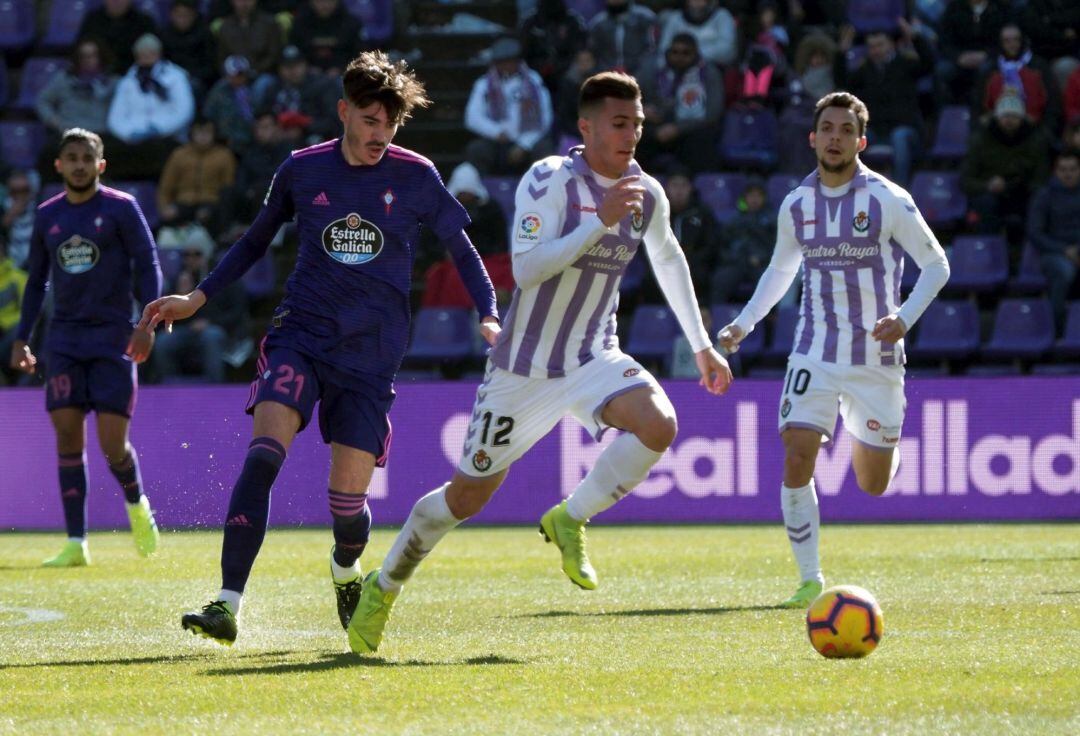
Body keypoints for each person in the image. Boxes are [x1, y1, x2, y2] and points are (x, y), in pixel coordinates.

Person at [347, 71, 733, 655]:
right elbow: (526, 270)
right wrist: (597, 221)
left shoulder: (645, 192)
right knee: (464, 499)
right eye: (619, 123)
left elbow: (669, 259)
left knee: (660, 423)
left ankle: (570, 518)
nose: (631, 134)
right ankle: (386, 583)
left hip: (593, 355)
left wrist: (701, 343)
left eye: (638, 124)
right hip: (522, 368)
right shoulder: (550, 179)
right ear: (587, 126)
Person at [138, 51, 499, 646]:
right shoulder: (302, 170)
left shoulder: (416, 176)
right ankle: (227, 602)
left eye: (389, 123)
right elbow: (255, 241)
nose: (379, 133)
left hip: (371, 355)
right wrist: (197, 298)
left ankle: (345, 569)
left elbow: (462, 251)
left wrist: (488, 312)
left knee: (346, 508)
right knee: (263, 455)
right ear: (344, 112)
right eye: (369, 119)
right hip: (300, 336)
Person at [717, 92, 950, 608]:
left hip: (876, 359)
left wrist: (903, 319)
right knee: (797, 451)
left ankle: (880, 447)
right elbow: (781, 271)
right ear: (813, 137)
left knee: (872, 484)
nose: (836, 138)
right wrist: (742, 325)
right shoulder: (797, 204)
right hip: (814, 351)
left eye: (846, 130)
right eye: (828, 128)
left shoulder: (888, 199)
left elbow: (937, 265)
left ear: (861, 141)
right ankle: (809, 578)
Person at [9, 128, 163, 567]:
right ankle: (77, 542)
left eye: (86, 157)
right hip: (64, 341)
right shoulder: (47, 216)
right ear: (59, 166)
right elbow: (37, 281)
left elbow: (148, 263)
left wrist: (146, 322)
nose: (78, 164)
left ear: (101, 165)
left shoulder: (121, 208)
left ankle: (137, 507)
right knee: (67, 438)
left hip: (114, 336)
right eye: (71, 157)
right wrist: (23, 338)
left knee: (113, 445)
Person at [464, 37, 554, 176]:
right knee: (476, 150)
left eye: (509, 61)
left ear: (517, 61)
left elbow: (545, 118)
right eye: (501, 62)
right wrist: (496, 132)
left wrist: (524, 145)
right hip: (498, 140)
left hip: (528, 141)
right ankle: (484, 193)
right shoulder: (484, 84)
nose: (506, 66)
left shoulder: (534, 81)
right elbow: (472, 117)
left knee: (545, 150)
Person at [1026, 149, 1080, 335]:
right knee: (1064, 272)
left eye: (1072, 169)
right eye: (1063, 169)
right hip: (1055, 253)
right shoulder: (1044, 196)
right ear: (1056, 172)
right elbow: (1035, 233)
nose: (1068, 173)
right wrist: (1065, 250)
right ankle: (1057, 331)